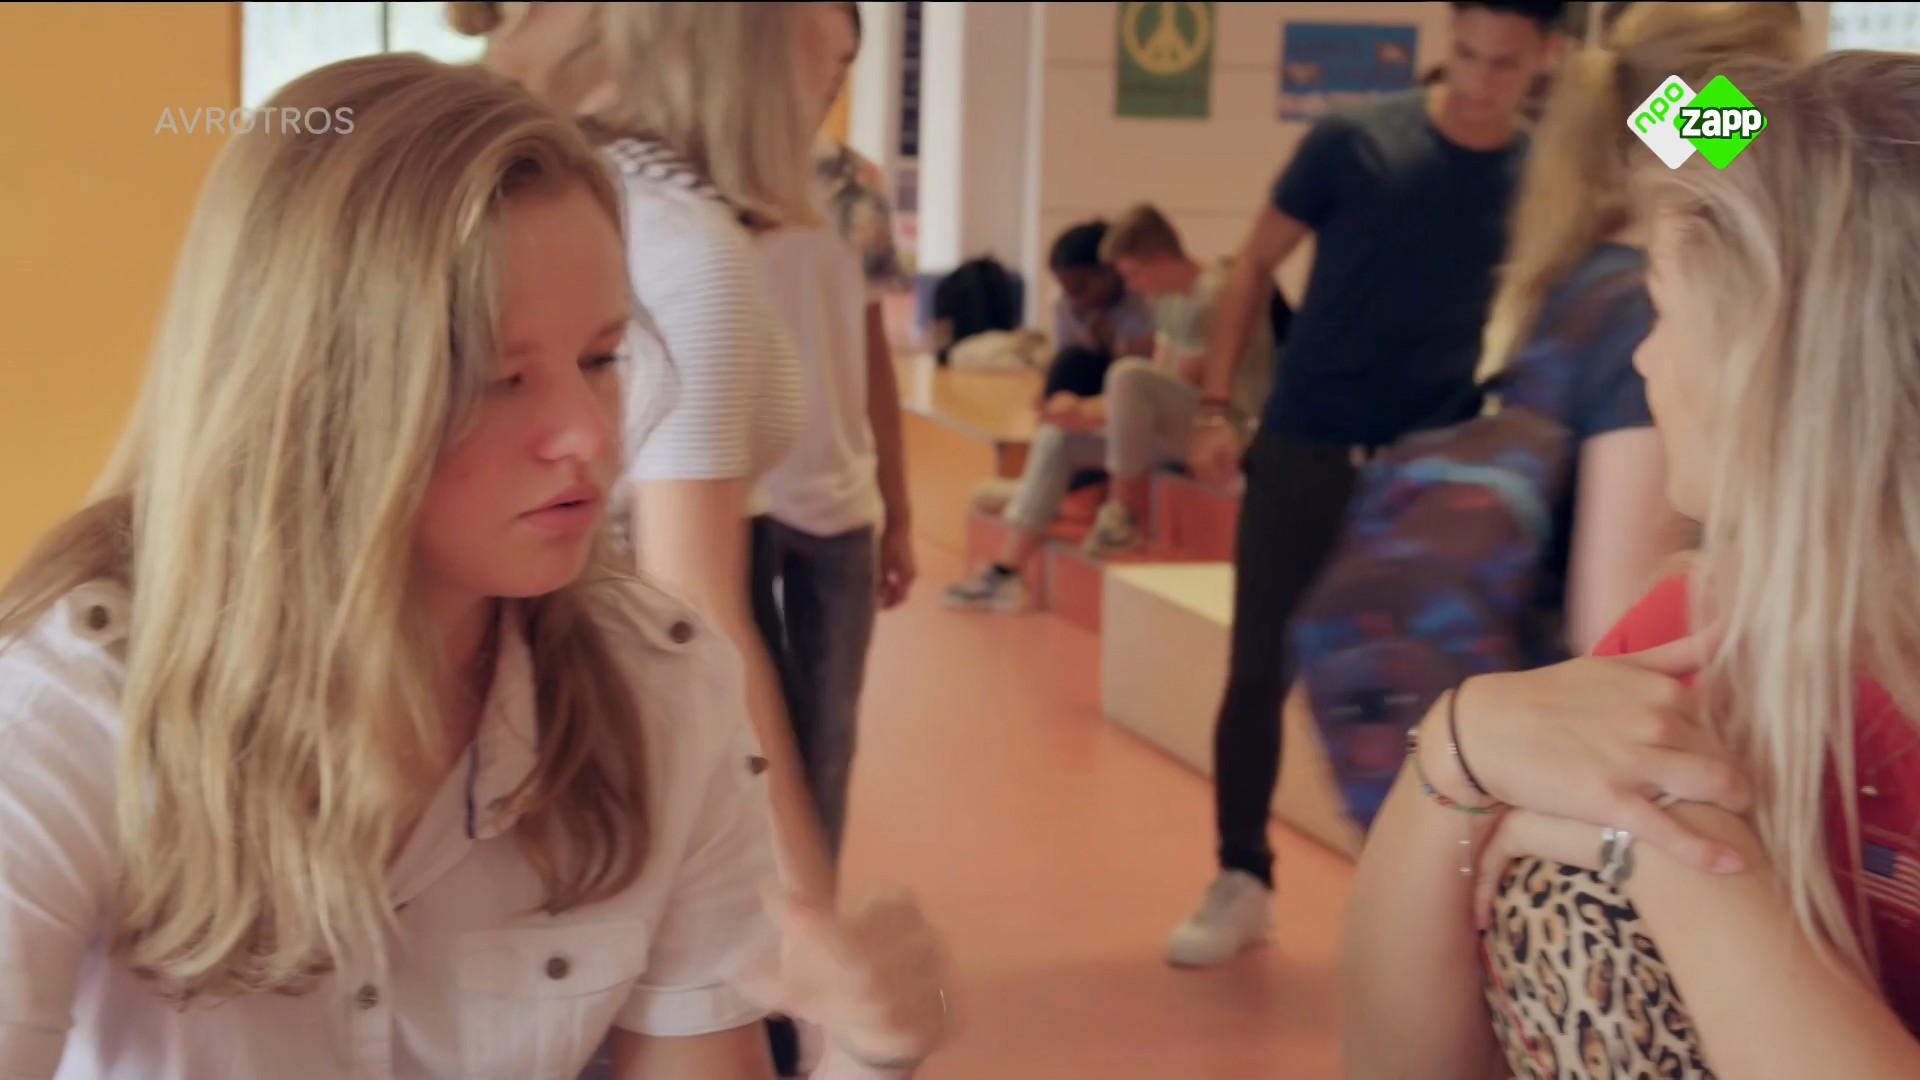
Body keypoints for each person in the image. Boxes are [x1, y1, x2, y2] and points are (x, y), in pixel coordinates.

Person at [0, 54, 949, 1079]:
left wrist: (868, 1051)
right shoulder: (69, 710)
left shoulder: (660, 691)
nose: (590, 436)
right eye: (500, 379)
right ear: (308, 396)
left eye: (601, 359)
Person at [1342, 49, 1920, 1078]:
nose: (1646, 358)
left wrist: (1680, 860)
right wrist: (1456, 750)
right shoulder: (1695, 641)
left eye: (1665, 312)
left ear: (1787, 357)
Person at [1168, 0, 1567, 968]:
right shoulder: (1354, 142)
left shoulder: (1546, 165)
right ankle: (1241, 875)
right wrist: (1216, 406)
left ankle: (1429, 900)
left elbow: (1726, 139)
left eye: (1505, 65)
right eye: (1465, 54)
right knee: (1258, 669)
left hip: (1428, 466)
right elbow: (1255, 261)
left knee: (1434, 690)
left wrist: (1731, 90)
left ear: (1548, 57)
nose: (1479, 82)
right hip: (1306, 443)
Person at [1475, 1, 1804, 665]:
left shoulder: (1585, 272)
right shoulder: (1651, 310)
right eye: (1792, 110)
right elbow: (1616, 618)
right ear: (1736, 117)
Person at [753, 0, 917, 880]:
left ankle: (812, 919)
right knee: (737, 735)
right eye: (820, 53)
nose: (827, 77)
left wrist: (900, 509)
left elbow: (871, 352)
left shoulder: (856, 187)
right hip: (731, 500)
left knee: (828, 737)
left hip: (839, 501)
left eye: (847, 61)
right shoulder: (711, 184)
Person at [944, 221, 1156, 613]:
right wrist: (1061, 407)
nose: (1074, 299)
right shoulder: (1064, 304)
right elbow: (1070, 366)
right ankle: (1011, 559)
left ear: (1112, 273)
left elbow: (1145, 385)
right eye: (1067, 288)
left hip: (1138, 414)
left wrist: (1116, 351)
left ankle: (1054, 495)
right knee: (1070, 368)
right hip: (1098, 408)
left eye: (1083, 287)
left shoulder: (1150, 303)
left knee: (1113, 374)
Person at [1088, 202, 1275, 555]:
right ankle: (1007, 565)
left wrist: (1091, 409)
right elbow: (1161, 378)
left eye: (1132, 275)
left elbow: (1177, 382)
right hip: (1187, 419)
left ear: (1159, 260)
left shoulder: (1213, 293)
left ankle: (1123, 513)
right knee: (1057, 439)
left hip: (1233, 424)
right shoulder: (1169, 302)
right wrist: (1086, 412)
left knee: (1127, 375)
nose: (1132, 287)